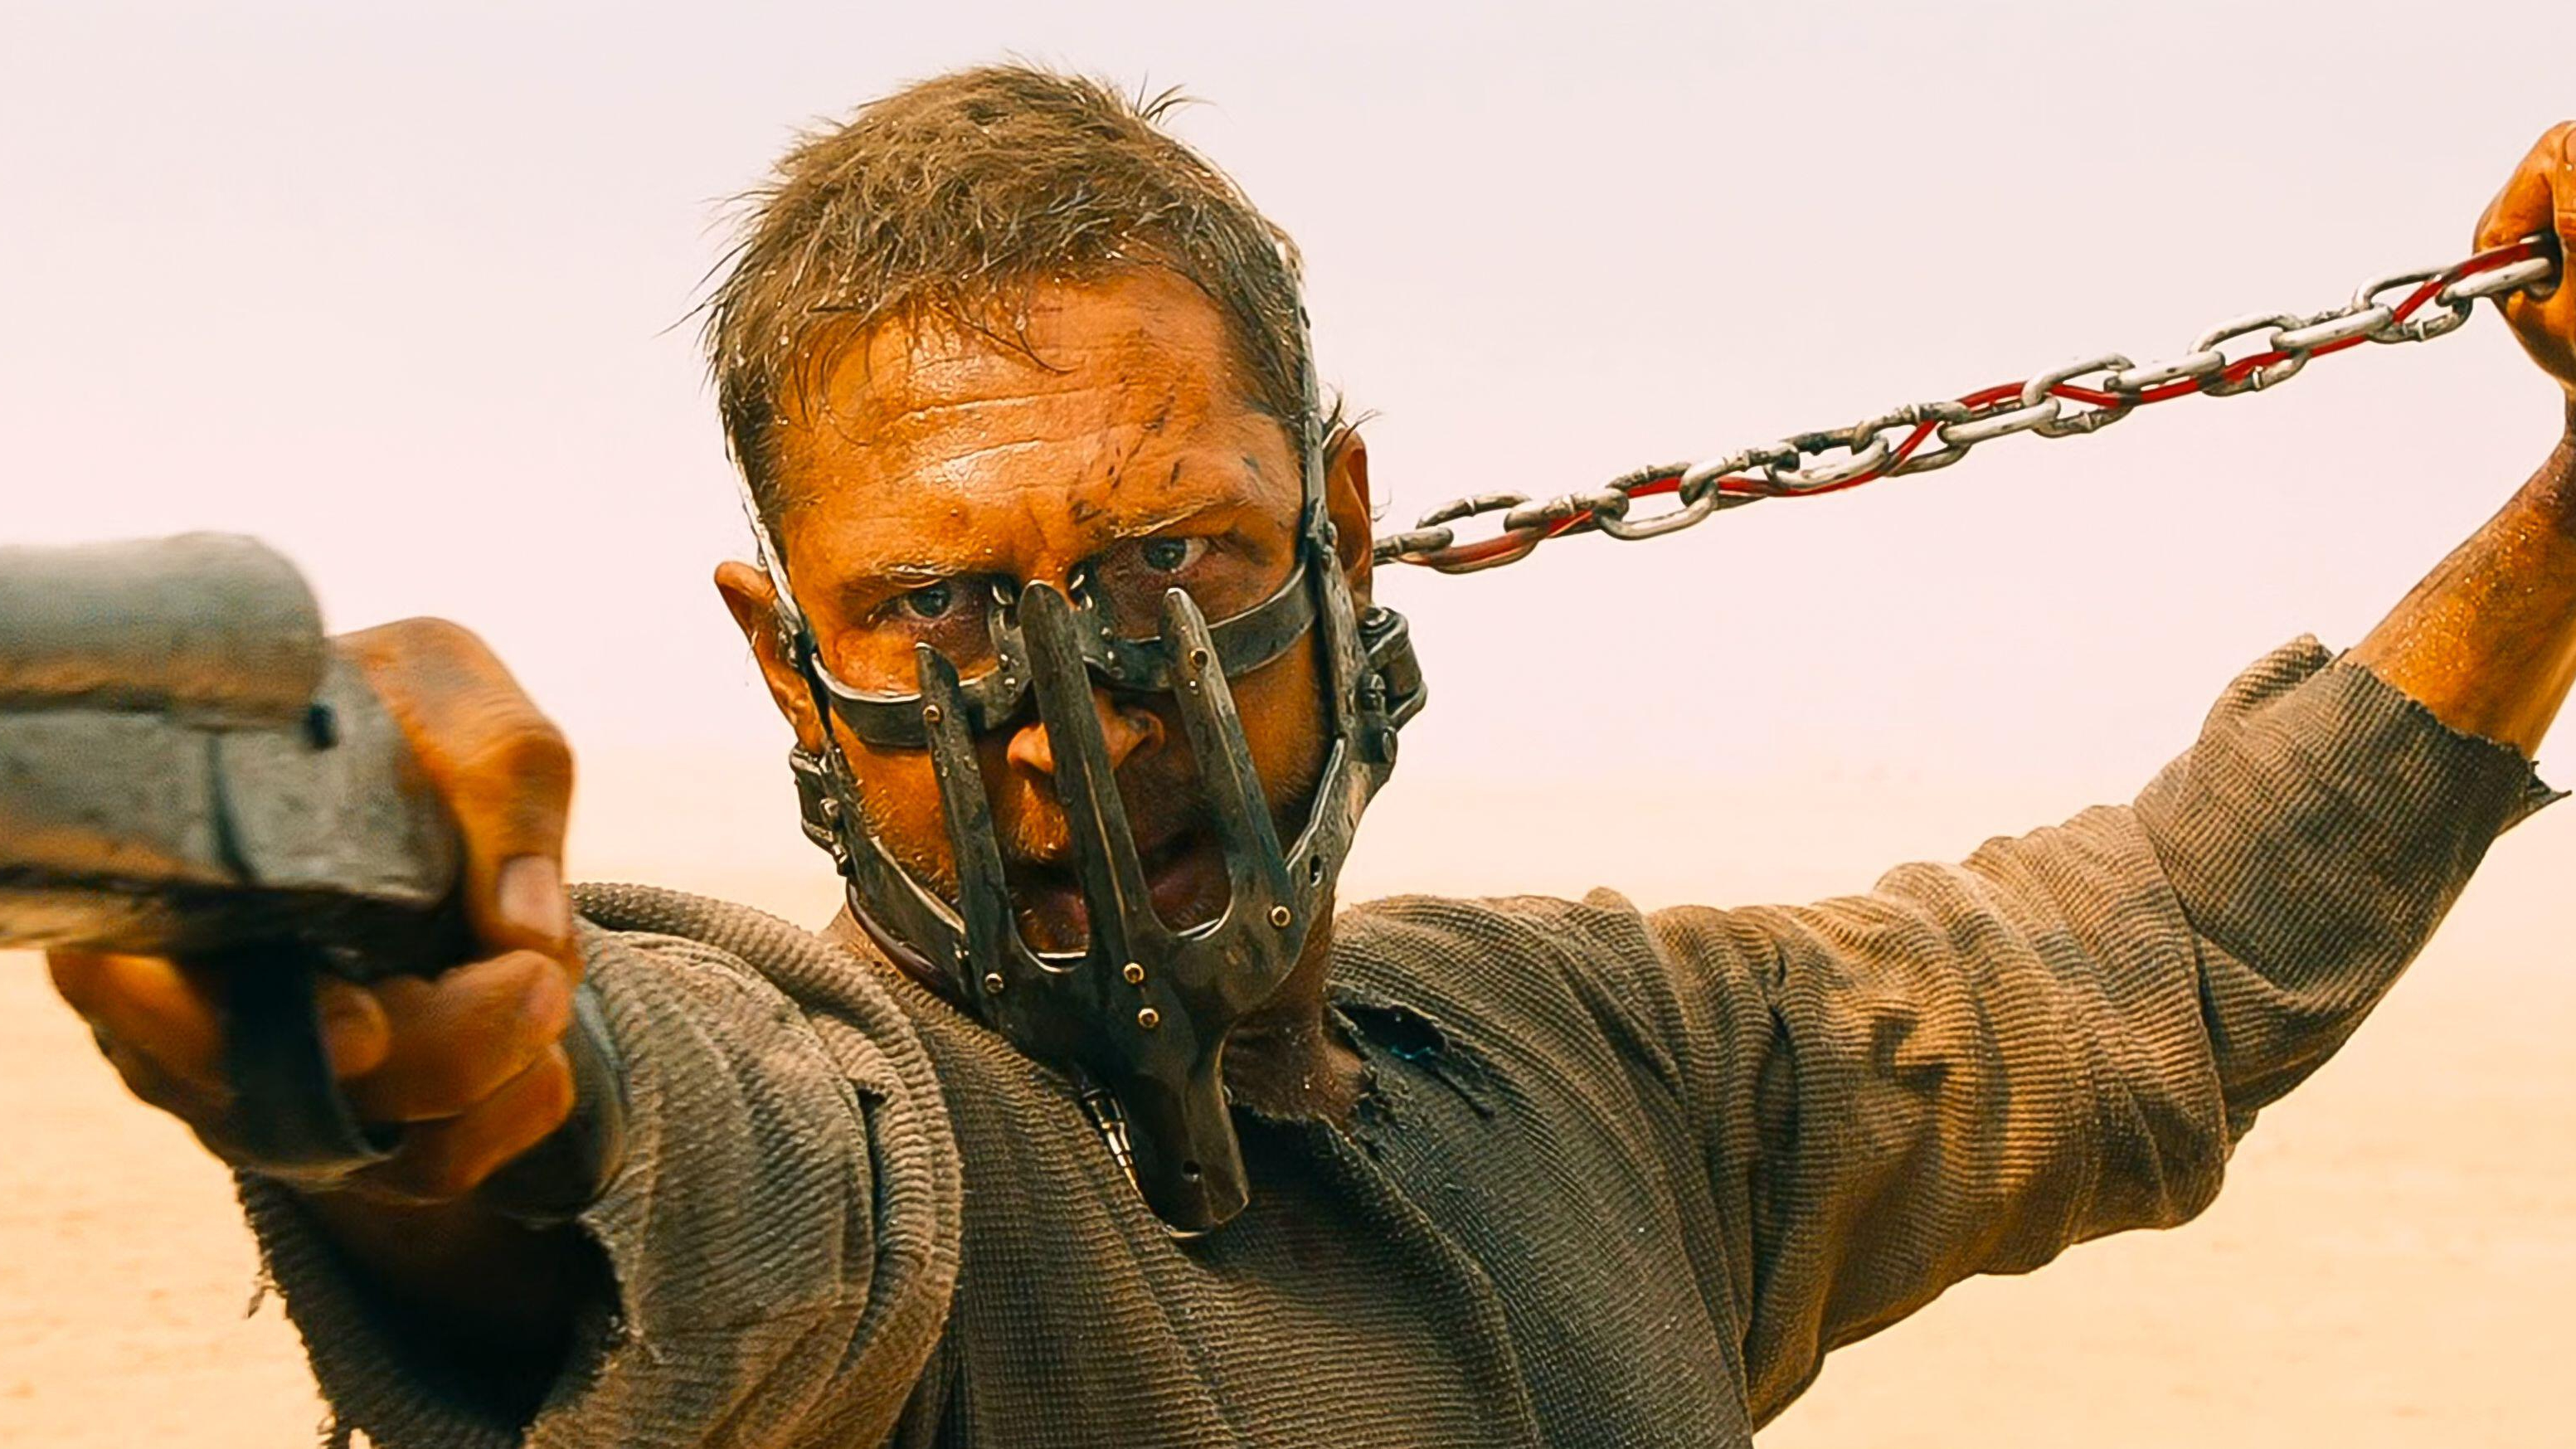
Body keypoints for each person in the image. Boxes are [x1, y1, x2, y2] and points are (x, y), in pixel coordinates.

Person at [42, 66, 2576, 1448]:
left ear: (1342, 530)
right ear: (784, 659)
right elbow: (659, 1171)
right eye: (932, 609)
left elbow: (2137, 970)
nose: (1073, 730)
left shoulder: (1597, 1068)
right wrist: (432, 1058)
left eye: (1173, 560)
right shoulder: (865, 1150)